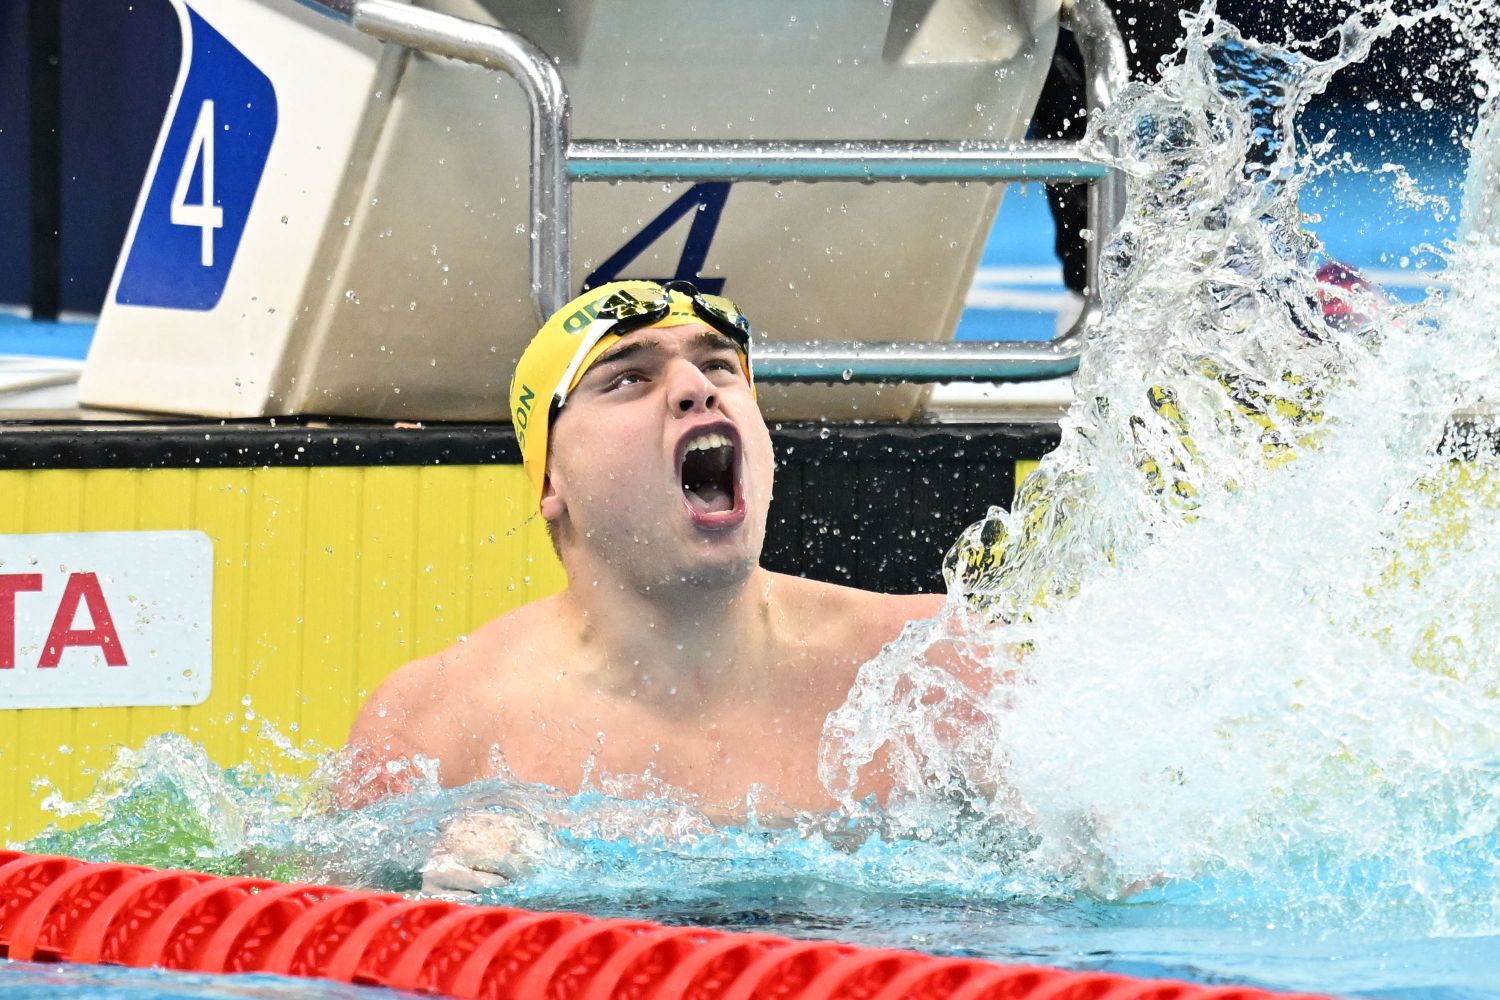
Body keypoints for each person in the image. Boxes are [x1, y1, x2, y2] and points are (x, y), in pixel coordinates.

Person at [342, 281, 946, 854]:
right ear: (550, 478)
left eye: (719, 367)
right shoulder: (436, 730)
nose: (696, 388)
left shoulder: (934, 669)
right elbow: (333, 909)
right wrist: (440, 894)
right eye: (630, 378)